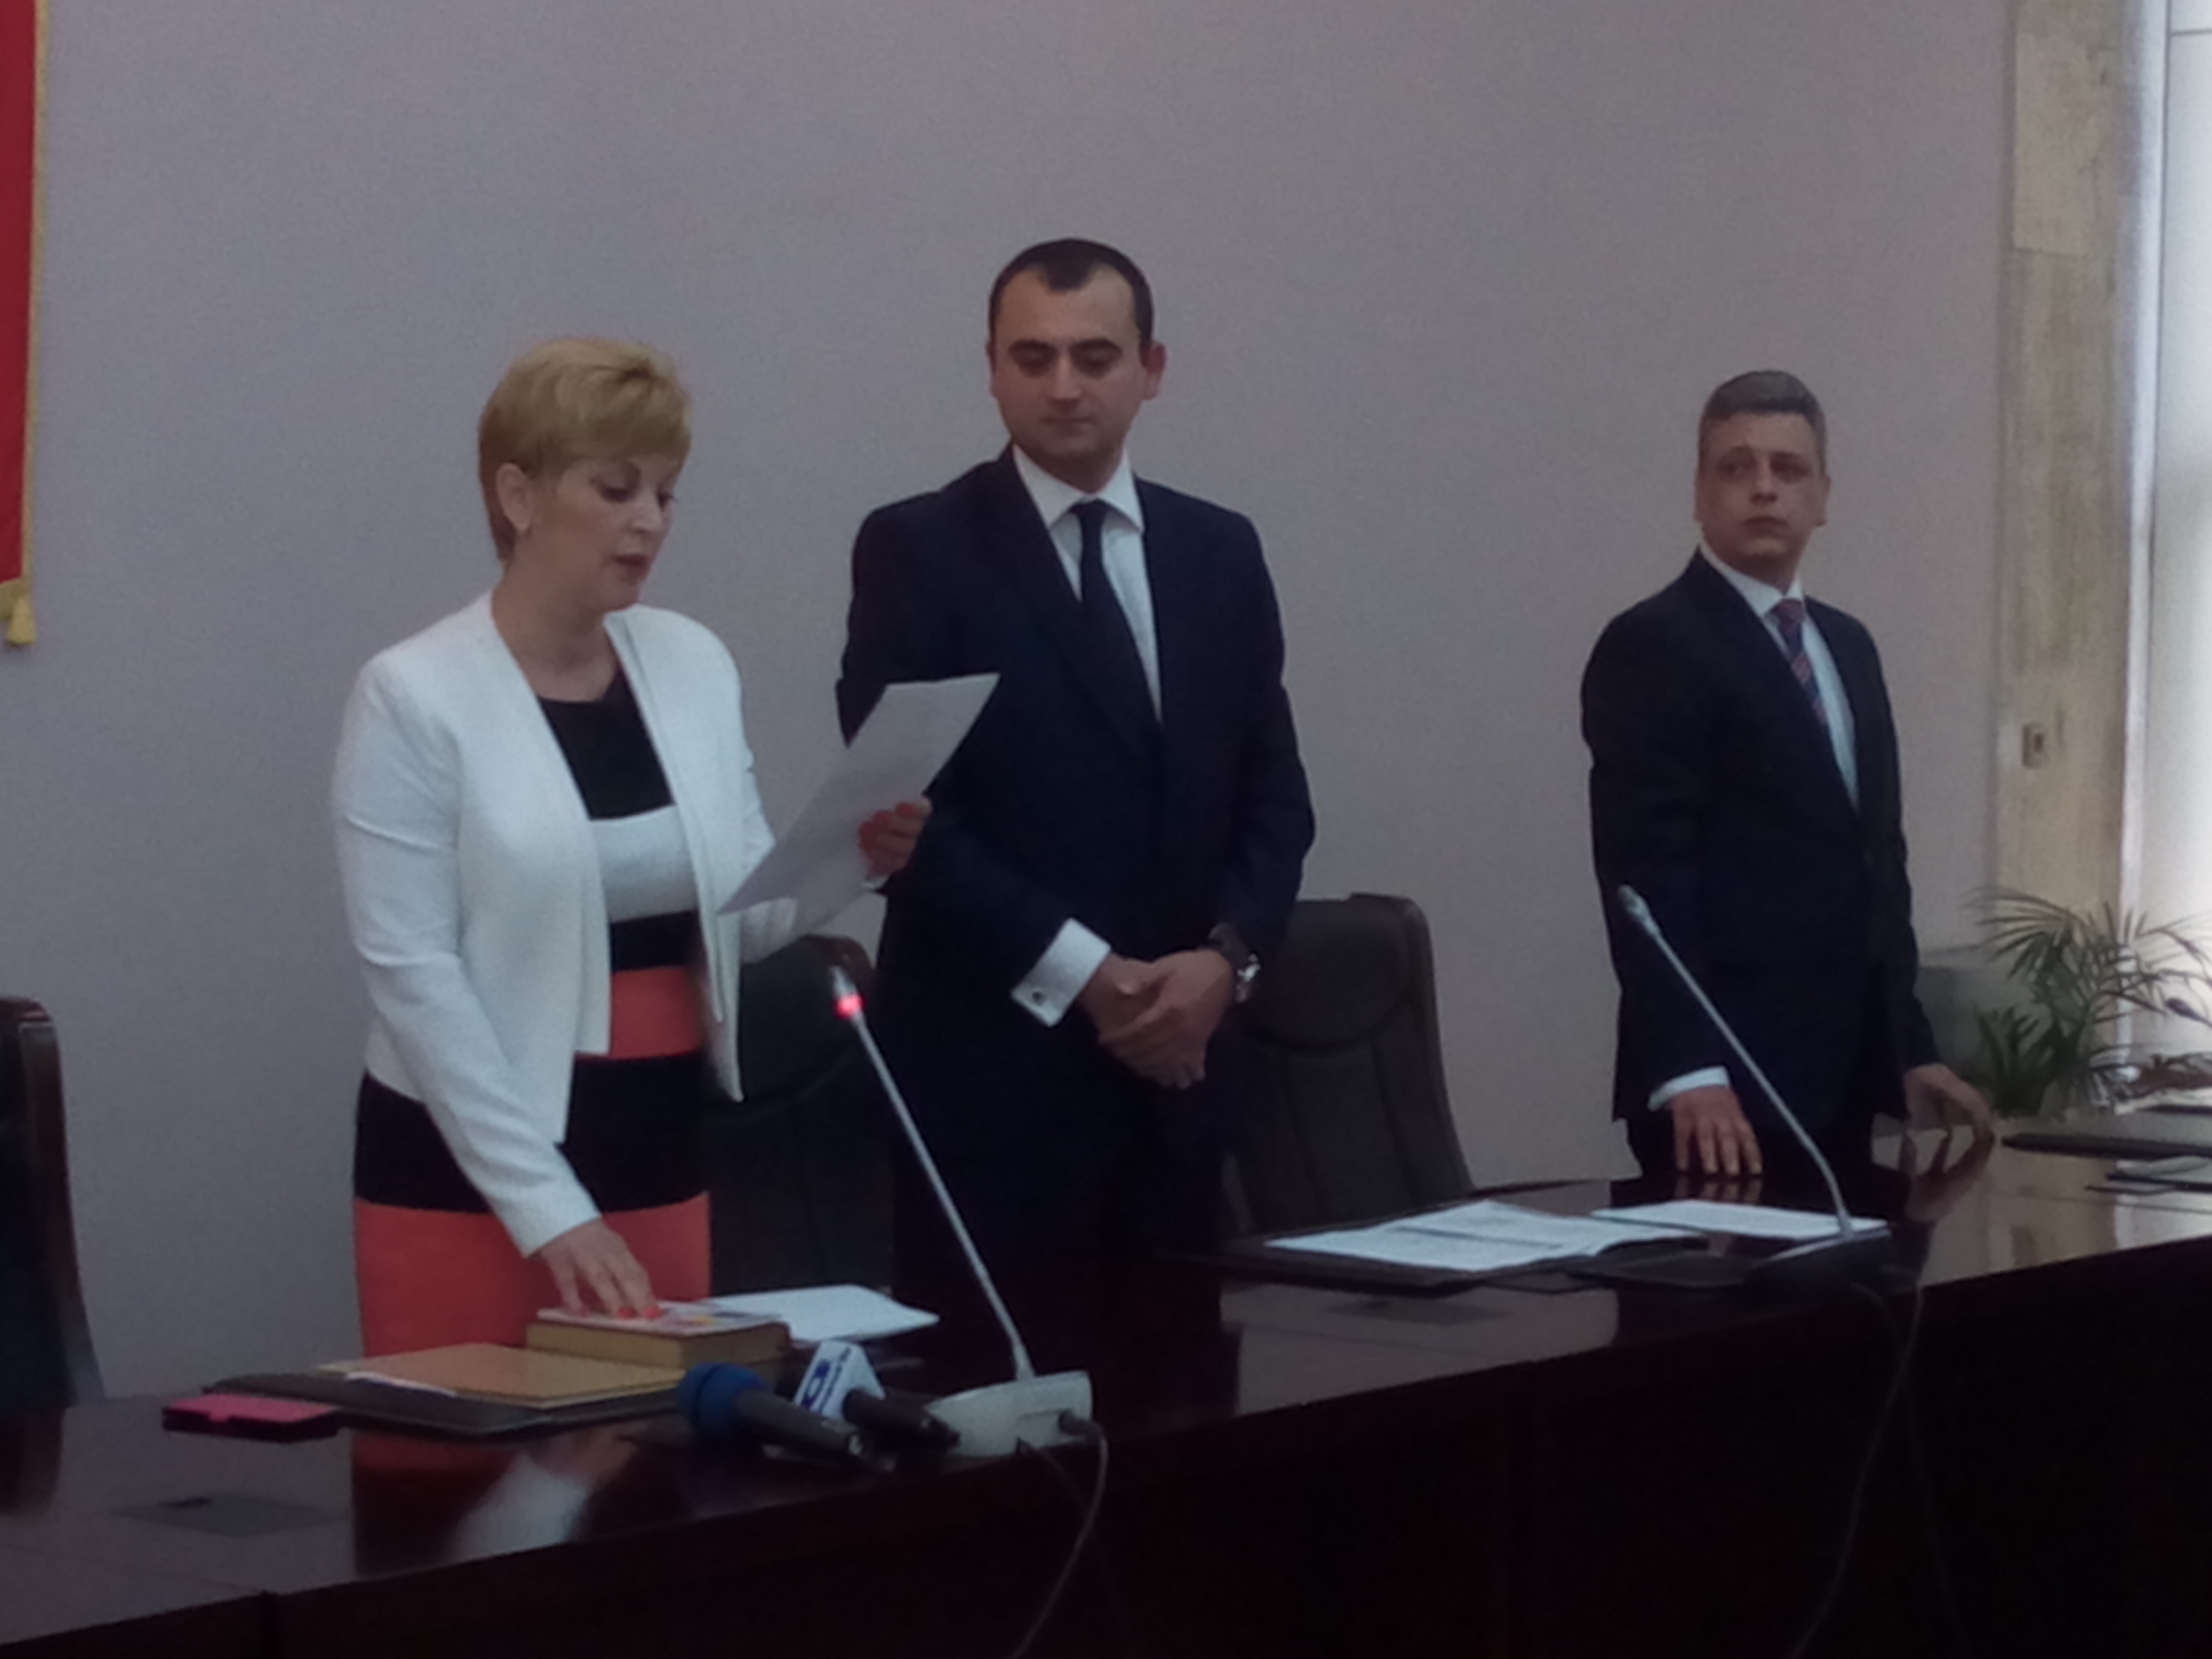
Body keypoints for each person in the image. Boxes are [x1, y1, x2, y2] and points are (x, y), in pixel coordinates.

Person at [333, 338, 924, 1353]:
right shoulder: (413, 694)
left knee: (658, 1440)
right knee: (470, 1449)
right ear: (518, 495)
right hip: (470, 1171)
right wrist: (549, 1207)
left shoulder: (693, 663)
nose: (649, 520)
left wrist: (856, 854)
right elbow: (414, 975)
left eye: (664, 493)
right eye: (615, 490)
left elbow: (739, 923)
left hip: (655, 1145)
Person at [836, 239, 1313, 1292]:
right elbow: (908, 817)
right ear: (992, 369)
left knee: (1189, 1379)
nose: (1063, 386)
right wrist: (1090, 978)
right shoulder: (921, 549)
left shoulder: (1219, 552)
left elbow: (1275, 800)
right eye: (1033, 357)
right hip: (992, 1082)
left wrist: (1224, 965)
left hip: (1183, 1078)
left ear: (1152, 369)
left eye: (1095, 358)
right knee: (996, 1385)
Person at [1581, 369, 1992, 1182]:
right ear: (1700, 493)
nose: (1764, 488)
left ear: (1823, 496)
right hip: (1724, 1090)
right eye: (1737, 467)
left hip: (1846, 1077)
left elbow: (1878, 863)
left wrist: (1909, 1046)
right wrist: (1690, 1068)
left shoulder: (1849, 646)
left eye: (1788, 469)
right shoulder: (1654, 644)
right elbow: (1646, 882)